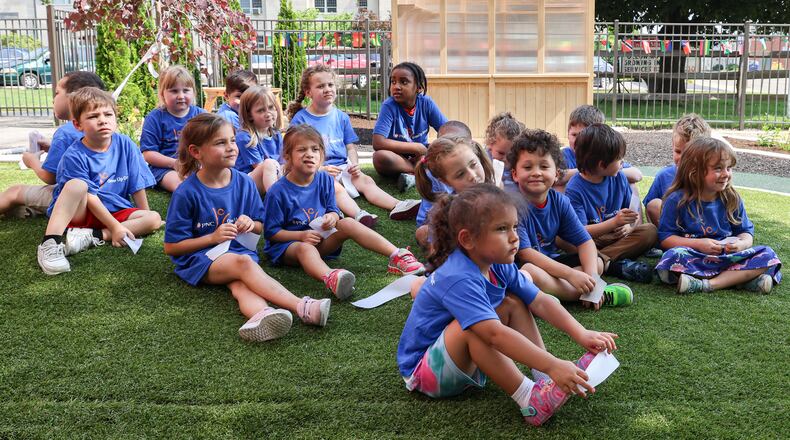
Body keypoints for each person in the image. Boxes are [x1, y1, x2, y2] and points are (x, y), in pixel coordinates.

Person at [397, 184, 619, 427]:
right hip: (425, 373)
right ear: (467, 239)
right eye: (502, 229)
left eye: (515, 226)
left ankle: (544, 380)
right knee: (475, 329)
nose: (515, 237)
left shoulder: (498, 263)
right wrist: (554, 364)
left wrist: (581, 333)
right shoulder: (457, 276)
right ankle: (530, 399)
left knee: (514, 303)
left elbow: (541, 301)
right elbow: (493, 334)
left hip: (456, 361)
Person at [164, 113, 329, 341]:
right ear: (196, 151)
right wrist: (212, 238)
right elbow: (172, 247)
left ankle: (262, 315)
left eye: (232, 140)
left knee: (240, 284)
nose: (232, 147)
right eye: (221, 143)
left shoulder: (244, 182)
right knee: (242, 265)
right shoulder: (186, 192)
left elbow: (261, 227)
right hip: (200, 260)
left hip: (239, 253)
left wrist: (251, 224)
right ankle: (302, 306)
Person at [263, 124, 425, 301]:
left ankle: (398, 256)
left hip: (320, 240)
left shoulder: (324, 179)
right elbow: (271, 233)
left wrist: (331, 217)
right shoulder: (277, 192)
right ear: (287, 156)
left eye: (315, 149)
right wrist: (301, 236)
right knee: (305, 248)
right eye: (302, 149)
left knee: (347, 222)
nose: (309, 154)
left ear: (322, 154)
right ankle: (331, 277)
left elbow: (333, 209)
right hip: (289, 248)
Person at [36, 87, 161, 275]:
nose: (103, 120)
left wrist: (143, 215)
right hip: (81, 211)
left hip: (114, 209)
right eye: (94, 116)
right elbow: (91, 197)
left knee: (154, 218)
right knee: (77, 185)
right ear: (78, 125)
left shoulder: (125, 143)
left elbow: (137, 182)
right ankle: (50, 243)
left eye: (108, 114)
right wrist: (116, 227)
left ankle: (92, 236)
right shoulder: (74, 155)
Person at [509, 129, 633, 308]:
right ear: (514, 174)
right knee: (530, 272)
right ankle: (589, 294)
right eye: (528, 167)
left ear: (557, 174)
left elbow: (585, 241)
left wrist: (592, 278)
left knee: (596, 264)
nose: (536, 172)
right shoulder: (513, 205)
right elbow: (525, 254)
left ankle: (555, 296)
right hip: (524, 268)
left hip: (551, 265)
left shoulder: (559, 201)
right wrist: (570, 275)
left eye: (544, 167)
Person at [288, 65, 421, 222]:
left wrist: (354, 164)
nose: (327, 89)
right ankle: (360, 215)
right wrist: (319, 169)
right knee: (335, 188)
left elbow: (350, 147)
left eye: (330, 85)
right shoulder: (301, 120)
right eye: (320, 86)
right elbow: (295, 156)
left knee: (366, 180)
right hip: (315, 172)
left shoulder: (341, 117)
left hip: (342, 168)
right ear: (308, 92)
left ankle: (399, 205)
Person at [655, 137, 781, 294]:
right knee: (672, 257)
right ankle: (740, 281)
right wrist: (699, 244)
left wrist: (741, 245)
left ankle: (706, 285)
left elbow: (746, 232)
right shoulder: (677, 200)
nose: (726, 174)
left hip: (728, 259)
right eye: (718, 168)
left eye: (729, 168)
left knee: (767, 254)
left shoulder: (732, 198)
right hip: (695, 258)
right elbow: (666, 239)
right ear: (695, 172)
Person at [0, 72, 106, 218]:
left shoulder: (65, 133)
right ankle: (23, 211)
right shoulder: (105, 129)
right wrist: (52, 148)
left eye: (57, 93)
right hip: (108, 197)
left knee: (15, 191)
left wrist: (33, 162)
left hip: (76, 202)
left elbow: (50, 177)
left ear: (72, 98)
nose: (52, 99)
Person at [565, 124, 657, 282]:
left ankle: (602, 260)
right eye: (619, 159)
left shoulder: (619, 178)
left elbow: (631, 214)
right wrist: (614, 223)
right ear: (602, 164)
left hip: (616, 237)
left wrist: (628, 227)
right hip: (591, 239)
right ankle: (612, 265)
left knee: (650, 231)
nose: (622, 163)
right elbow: (580, 231)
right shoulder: (575, 189)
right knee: (567, 240)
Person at [372, 62, 447, 190]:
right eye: (393, 82)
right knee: (380, 157)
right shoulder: (389, 106)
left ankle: (411, 175)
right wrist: (415, 147)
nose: (396, 86)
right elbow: (378, 142)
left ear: (418, 87)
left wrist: (433, 149)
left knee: (446, 151)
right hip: (397, 157)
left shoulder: (426, 103)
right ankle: (419, 172)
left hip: (421, 155)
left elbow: (446, 129)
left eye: (404, 82)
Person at [414, 136, 495, 248]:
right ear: (445, 181)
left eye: (473, 164)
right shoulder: (449, 212)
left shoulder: (497, 189)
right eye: (460, 174)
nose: (472, 176)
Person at [555, 105, 643, 205]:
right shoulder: (563, 156)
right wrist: (590, 171)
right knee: (559, 187)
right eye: (574, 135)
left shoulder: (604, 154)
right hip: (577, 203)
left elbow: (637, 175)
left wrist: (608, 171)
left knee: (631, 185)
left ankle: (635, 220)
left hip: (603, 201)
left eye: (583, 135)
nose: (577, 141)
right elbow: (556, 178)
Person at [140, 65, 206, 192]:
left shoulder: (201, 115)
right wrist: (175, 163)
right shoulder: (155, 118)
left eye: (186, 90)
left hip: (198, 164)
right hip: (165, 168)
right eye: (174, 91)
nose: (181, 96)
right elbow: (148, 154)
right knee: (183, 187)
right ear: (162, 94)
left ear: (193, 92)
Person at [643, 114, 711, 225]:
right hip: (673, 230)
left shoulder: (711, 176)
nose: (683, 159)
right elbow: (649, 209)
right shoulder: (664, 176)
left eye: (689, 154)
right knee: (654, 204)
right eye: (678, 152)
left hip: (703, 229)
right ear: (672, 146)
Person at [235, 85, 285, 194]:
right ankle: (276, 201)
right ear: (249, 115)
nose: (268, 114)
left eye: (271, 107)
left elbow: (283, 164)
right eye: (261, 110)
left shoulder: (276, 134)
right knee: (269, 164)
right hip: (245, 184)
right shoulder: (245, 137)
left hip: (272, 176)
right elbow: (262, 168)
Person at [485, 112, 525, 191]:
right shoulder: (484, 162)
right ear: (490, 144)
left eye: (511, 154)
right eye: (501, 153)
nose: (506, 158)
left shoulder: (518, 163)